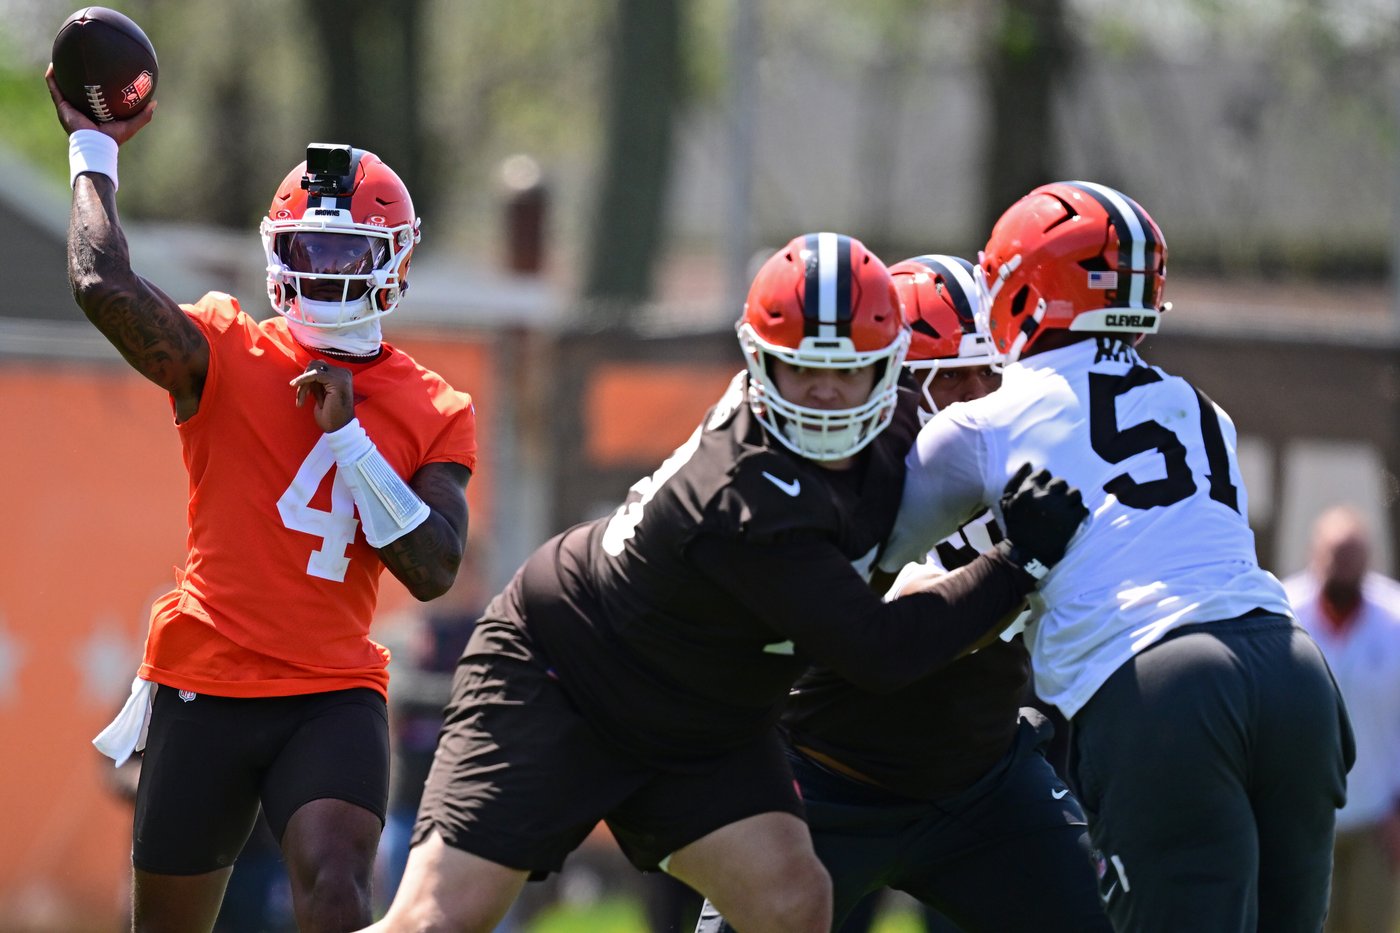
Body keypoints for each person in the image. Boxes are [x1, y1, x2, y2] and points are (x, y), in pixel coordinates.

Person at [365, 232, 1087, 933]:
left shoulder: (903, 428)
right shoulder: (746, 491)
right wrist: (1016, 563)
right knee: (439, 919)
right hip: (566, 674)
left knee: (792, 901)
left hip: (704, 717)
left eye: (849, 371)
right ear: (760, 364)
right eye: (803, 369)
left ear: (886, 365)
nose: (828, 395)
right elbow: (880, 651)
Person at [48, 69, 477, 933]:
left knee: (339, 891)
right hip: (205, 677)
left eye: (345, 254)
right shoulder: (228, 348)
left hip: (332, 689)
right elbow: (103, 284)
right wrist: (92, 148)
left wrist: (349, 441)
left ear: (391, 262)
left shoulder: (432, 406)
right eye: (307, 253)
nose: (322, 274)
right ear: (278, 255)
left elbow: (433, 568)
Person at [876, 181, 1355, 933]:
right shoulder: (1201, 407)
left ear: (1022, 290)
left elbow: (869, 566)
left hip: (1164, 688)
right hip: (1292, 670)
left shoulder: (982, 423)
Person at [694, 255, 1109, 933]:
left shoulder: (1027, 450)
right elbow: (899, 626)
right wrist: (1017, 561)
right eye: (951, 375)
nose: (979, 392)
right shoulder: (833, 476)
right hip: (826, 782)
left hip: (983, 783)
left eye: (991, 370)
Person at [1285, 506, 1400, 933]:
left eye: (1352, 553)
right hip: (1303, 816)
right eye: (1336, 552)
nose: (1343, 563)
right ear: (1315, 553)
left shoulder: (1394, 619)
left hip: (1377, 817)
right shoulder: (1283, 613)